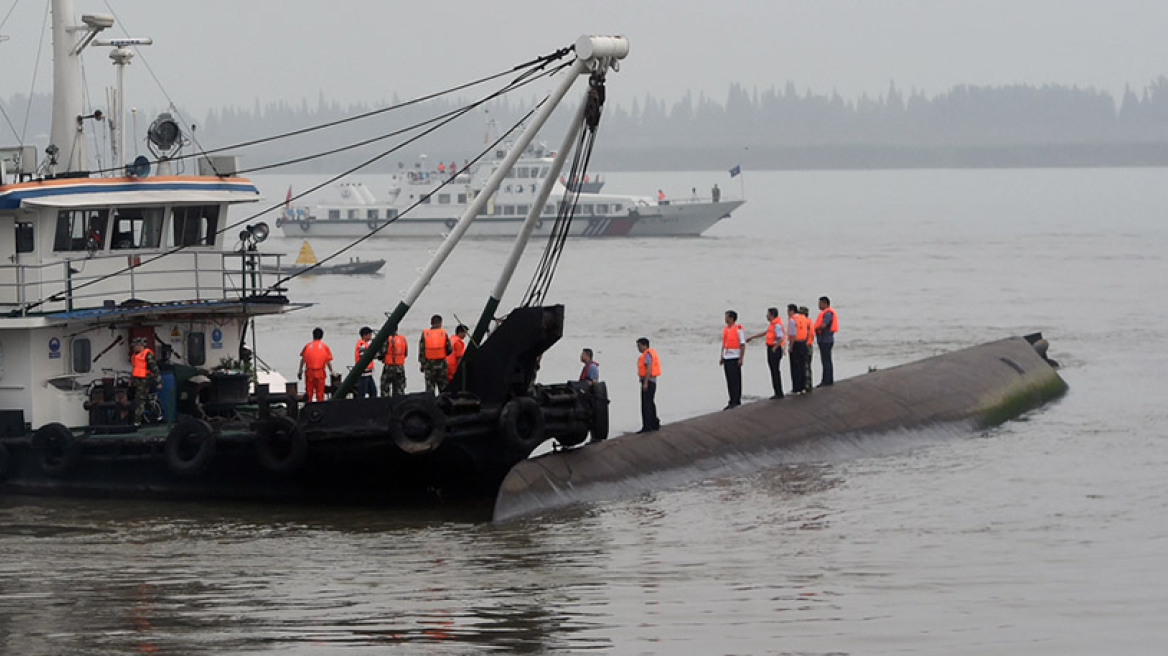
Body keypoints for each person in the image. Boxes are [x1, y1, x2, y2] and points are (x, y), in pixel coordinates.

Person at [746, 307, 786, 399]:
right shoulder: (772, 324)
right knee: (773, 370)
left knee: (775, 371)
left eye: (768, 314)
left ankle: (779, 393)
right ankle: (777, 392)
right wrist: (752, 337)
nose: (766, 316)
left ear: (772, 315)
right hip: (771, 348)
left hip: (774, 349)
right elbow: (765, 333)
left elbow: (781, 338)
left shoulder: (777, 325)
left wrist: (775, 348)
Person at [129, 336, 161, 425]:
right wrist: (131, 380)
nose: (133, 348)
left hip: (145, 380)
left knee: (140, 399)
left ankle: (137, 421)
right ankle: (156, 413)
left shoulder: (147, 355)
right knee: (145, 399)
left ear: (140, 345)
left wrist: (159, 381)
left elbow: (155, 368)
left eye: (135, 346)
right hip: (137, 380)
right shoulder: (135, 356)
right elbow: (135, 369)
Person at [298, 327, 334, 402]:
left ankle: (308, 406)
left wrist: (300, 371)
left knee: (309, 393)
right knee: (320, 393)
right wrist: (332, 371)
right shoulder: (324, 347)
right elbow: (327, 361)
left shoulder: (308, 346)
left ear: (313, 335)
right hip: (320, 372)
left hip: (309, 372)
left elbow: (303, 359)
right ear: (322, 336)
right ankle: (320, 408)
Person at [720, 310, 746, 409]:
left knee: (736, 380)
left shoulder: (738, 329)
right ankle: (731, 400)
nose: (725, 319)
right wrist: (721, 356)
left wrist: (741, 358)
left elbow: (742, 344)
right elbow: (724, 344)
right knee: (729, 380)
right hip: (727, 357)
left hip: (735, 358)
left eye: (726, 317)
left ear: (731, 318)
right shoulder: (726, 329)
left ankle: (736, 400)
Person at [419, 314, 452, 394]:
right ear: (440, 323)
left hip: (429, 365)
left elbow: (421, 351)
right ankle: (444, 404)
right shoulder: (443, 333)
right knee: (443, 388)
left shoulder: (425, 334)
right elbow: (449, 350)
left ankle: (431, 404)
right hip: (442, 366)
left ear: (431, 323)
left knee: (430, 389)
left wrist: (422, 364)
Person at [636, 338, 661, 433]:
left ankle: (647, 426)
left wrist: (645, 382)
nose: (638, 348)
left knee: (646, 404)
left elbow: (648, 368)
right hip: (652, 381)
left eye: (639, 346)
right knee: (650, 403)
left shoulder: (647, 355)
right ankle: (654, 423)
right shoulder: (650, 353)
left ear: (644, 345)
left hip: (648, 382)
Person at [814, 296, 839, 387]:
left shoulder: (828, 313)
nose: (819, 305)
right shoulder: (825, 313)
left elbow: (824, 325)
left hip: (825, 340)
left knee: (826, 360)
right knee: (826, 360)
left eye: (820, 303)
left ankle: (826, 380)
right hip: (825, 340)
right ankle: (828, 379)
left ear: (825, 303)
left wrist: (814, 328)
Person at [379, 328, 409, 397]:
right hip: (400, 367)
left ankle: (386, 405)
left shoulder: (387, 339)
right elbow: (405, 353)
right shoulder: (403, 339)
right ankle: (399, 404)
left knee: (385, 388)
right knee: (400, 389)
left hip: (389, 367)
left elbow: (382, 353)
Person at [787, 304, 809, 394]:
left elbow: (793, 335)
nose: (787, 313)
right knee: (802, 366)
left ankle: (796, 388)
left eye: (788, 311)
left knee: (795, 367)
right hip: (803, 343)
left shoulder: (792, 320)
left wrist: (790, 347)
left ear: (792, 311)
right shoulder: (803, 318)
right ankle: (803, 387)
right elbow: (807, 331)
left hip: (796, 344)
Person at [353, 326, 377, 398]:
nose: (371, 336)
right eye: (370, 334)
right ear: (365, 335)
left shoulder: (365, 344)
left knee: (373, 391)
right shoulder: (361, 345)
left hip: (368, 373)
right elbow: (364, 357)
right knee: (362, 392)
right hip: (363, 373)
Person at [799, 306, 815, 393]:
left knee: (805, 365)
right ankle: (808, 384)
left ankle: (807, 385)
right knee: (808, 365)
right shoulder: (810, 322)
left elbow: (807, 334)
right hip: (809, 345)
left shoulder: (805, 322)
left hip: (806, 345)